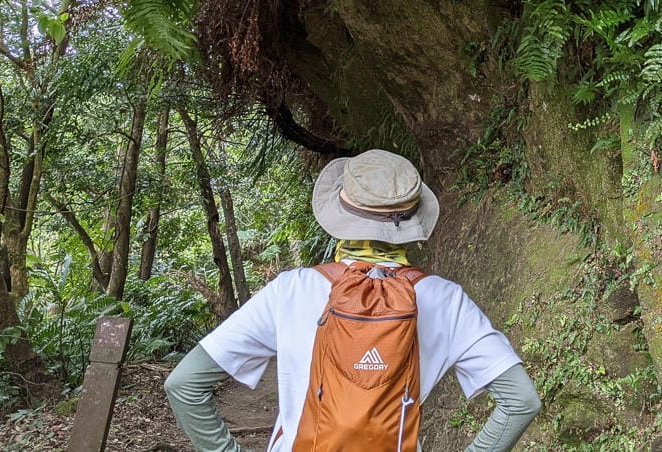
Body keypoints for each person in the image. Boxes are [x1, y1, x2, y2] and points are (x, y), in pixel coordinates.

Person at [165, 148, 541, 451]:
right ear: (411, 222)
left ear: (340, 215)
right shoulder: (446, 300)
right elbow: (522, 401)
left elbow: (183, 385)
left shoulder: (292, 289)